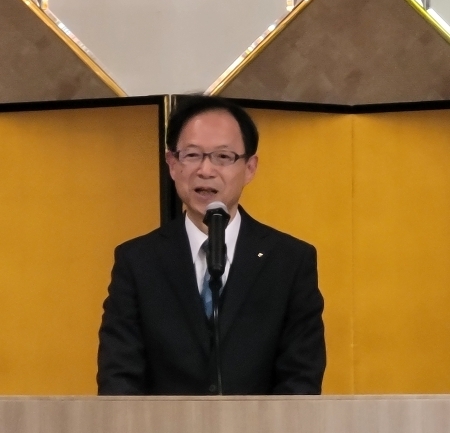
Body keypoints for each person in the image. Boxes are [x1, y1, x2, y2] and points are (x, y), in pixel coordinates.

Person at [97, 95, 325, 395]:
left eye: (223, 157)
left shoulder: (289, 261)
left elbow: (301, 378)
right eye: (192, 155)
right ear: (172, 164)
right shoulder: (138, 261)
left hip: (261, 426)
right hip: (159, 426)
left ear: (250, 167)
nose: (205, 170)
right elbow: (119, 377)